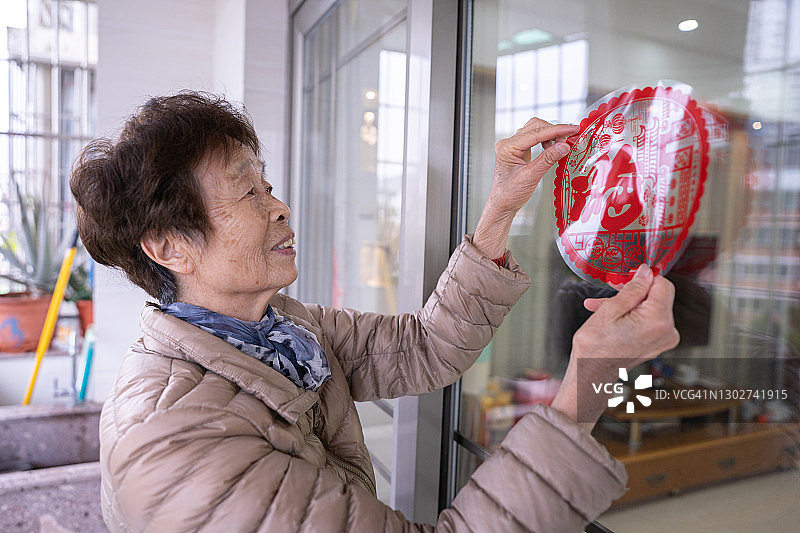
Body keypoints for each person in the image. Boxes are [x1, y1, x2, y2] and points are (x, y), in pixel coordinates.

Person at [71, 91, 679, 532]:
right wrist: (592, 380)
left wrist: (499, 211)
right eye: (249, 191)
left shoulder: (280, 331)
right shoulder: (182, 446)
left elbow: (426, 347)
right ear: (170, 247)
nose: (280, 208)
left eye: (269, 184)